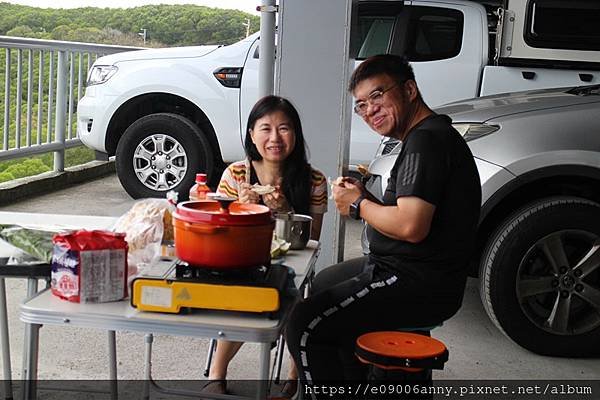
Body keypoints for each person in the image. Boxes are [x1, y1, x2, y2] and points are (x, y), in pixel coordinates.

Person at [285, 54, 481, 391]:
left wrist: (359, 204)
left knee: (304, 323)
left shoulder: (426, 142)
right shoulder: (425, 136)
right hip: (407, 268)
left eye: (377, 95)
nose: (370, 110)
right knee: (326, 283)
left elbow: (411, 226)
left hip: (416, 280)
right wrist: (365, 196)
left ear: (409, 89)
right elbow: (408, 214)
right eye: (361, 105)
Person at [203, 95, 328, 397]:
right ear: (251, 134)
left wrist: (285, 210)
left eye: (284, 129)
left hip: (292, 267)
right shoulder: (235, 175)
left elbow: (312, 241)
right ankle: (216, 377)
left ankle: (292, 382)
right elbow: (219, 234)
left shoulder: (314, 180)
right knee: (251, 300)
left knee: (294, 305)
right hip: (242, 264)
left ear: (295, 134)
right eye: (265, 129)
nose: (275, 138)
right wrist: (238, 209)